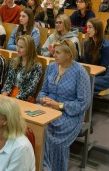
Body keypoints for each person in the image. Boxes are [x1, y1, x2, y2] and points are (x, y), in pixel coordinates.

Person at [37, 39, 91, 171]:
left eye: (58, 53)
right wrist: (43, 99)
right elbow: (43, 90)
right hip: (48, 108)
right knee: (34, 125)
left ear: (69, 55)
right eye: (54, 52)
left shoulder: (80, 72)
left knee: (48, 132)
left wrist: (59, 105)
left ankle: (52, 168)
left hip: (69, 114)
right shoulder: (51, 67)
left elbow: (83, 103)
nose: (54, 55)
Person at [2, 35, 43, 101]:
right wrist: (3, 96)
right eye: (17, 45)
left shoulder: (37, 66)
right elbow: (8, 82)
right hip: (11, 95)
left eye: (21, 47)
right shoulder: (13, 62)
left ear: (29, 49)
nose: (18, 49)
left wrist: (14, 99)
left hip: (25, 99)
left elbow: (30, 90)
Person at [82, 18, 109, 93]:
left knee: (85, 84)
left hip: (106, 76)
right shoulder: (87, 43)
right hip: (92, 73)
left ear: (97, 29)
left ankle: (84, 103)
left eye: (90, 27)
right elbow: (85, 63)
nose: (87, 30)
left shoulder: (107, 46)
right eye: (87, 27)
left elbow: (103, 69)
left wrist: (88, 77)